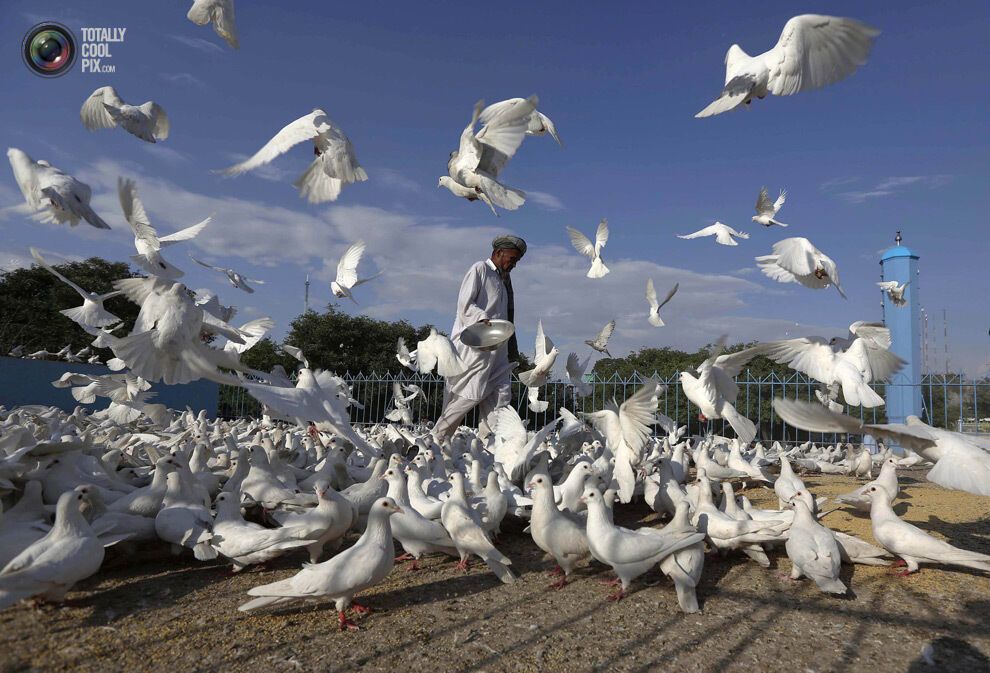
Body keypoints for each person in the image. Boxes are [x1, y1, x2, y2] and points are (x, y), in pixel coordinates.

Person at [432, 235, 526, 441]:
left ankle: (492, 444)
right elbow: (465, 305)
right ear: (499, 253)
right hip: (476, 344)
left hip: (499, 346)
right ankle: (436, 437)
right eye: (512, 259)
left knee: (501, 394)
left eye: (517, 261)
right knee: (471, 393)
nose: (514, 265)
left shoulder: (504, 281)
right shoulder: (479, 270)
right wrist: (483, 320)